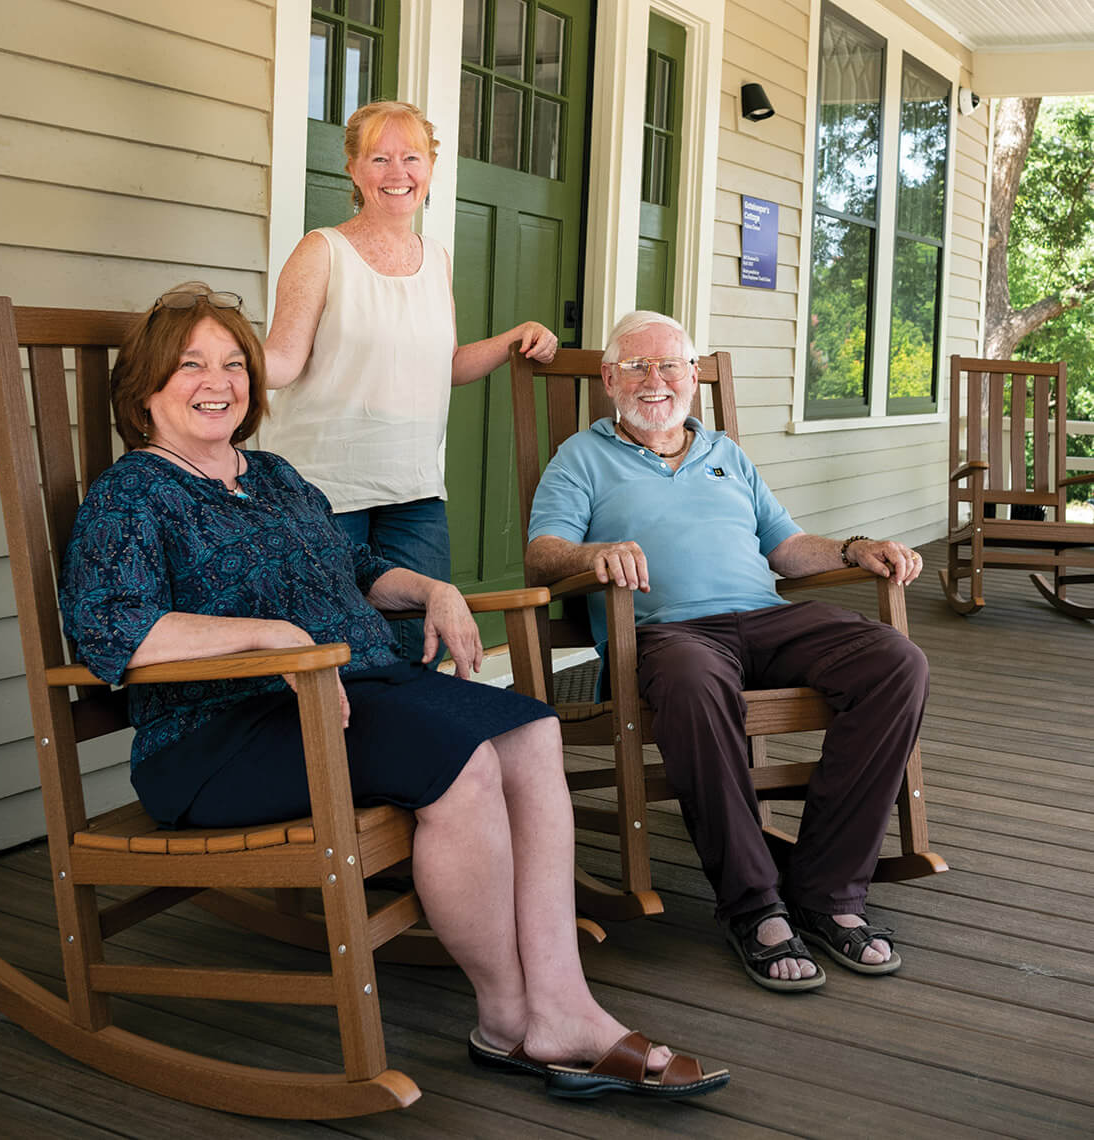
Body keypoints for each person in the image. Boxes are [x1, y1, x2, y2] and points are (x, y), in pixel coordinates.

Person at [57, 286, 728, 1100]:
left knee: (531, 732)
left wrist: (430, 589)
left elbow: (351, 571)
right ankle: (512, 1014)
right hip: (219, 732)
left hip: (344, 695)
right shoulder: (133, 494)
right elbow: (110, 628)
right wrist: (272, 636)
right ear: (146, 390)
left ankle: (561, 1002)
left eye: (235, 362)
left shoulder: (268, 474)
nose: (218, 380)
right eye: (191, 364)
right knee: (463, 764)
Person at [525, 311, 929, 992]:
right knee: (691, 680)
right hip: (667, 635)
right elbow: (542, 556)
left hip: (766, 620)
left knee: (895, 662)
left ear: (692, 377)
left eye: (671, 366)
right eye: (637, 367)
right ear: (609, 378)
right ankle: (754, 904)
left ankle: (828, 891)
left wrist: (855, 548)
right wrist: (596, 555)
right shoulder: (581, 457)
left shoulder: (726, 453)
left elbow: (788, 551)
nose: (656, 381)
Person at [260, 100, 558, 661]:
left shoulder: (436, 258)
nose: (398, 174)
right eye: (379, 158)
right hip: (325, 491)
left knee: (416, 653)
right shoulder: (321, 250)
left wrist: (514, 336)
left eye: (411, 158)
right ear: (352, 169)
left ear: (430, 168)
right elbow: (281, 362)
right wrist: (215, 362)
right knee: (336, 655)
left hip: (414, 490)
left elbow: (440, 368)